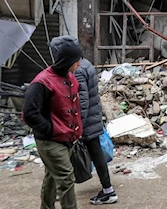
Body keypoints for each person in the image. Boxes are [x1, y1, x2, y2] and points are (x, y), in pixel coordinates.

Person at [50, 36, 118, 205]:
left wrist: (77, 125)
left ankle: (65, 191)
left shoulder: (77, 70)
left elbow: (83, 100)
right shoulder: (85, 63)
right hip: (92, 119)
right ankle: (108, 190)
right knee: (96, 155)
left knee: (66, 158)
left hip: (85, 122)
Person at [23, 37, 83, 209]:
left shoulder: (70, 77)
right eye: (76, 61)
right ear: (67, 61)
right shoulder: (42, 82)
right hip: (50, 140)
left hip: (67, 138)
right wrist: (49, 129)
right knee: (66, 177)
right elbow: (29, 113)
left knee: (52, 176)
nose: (79, 64)